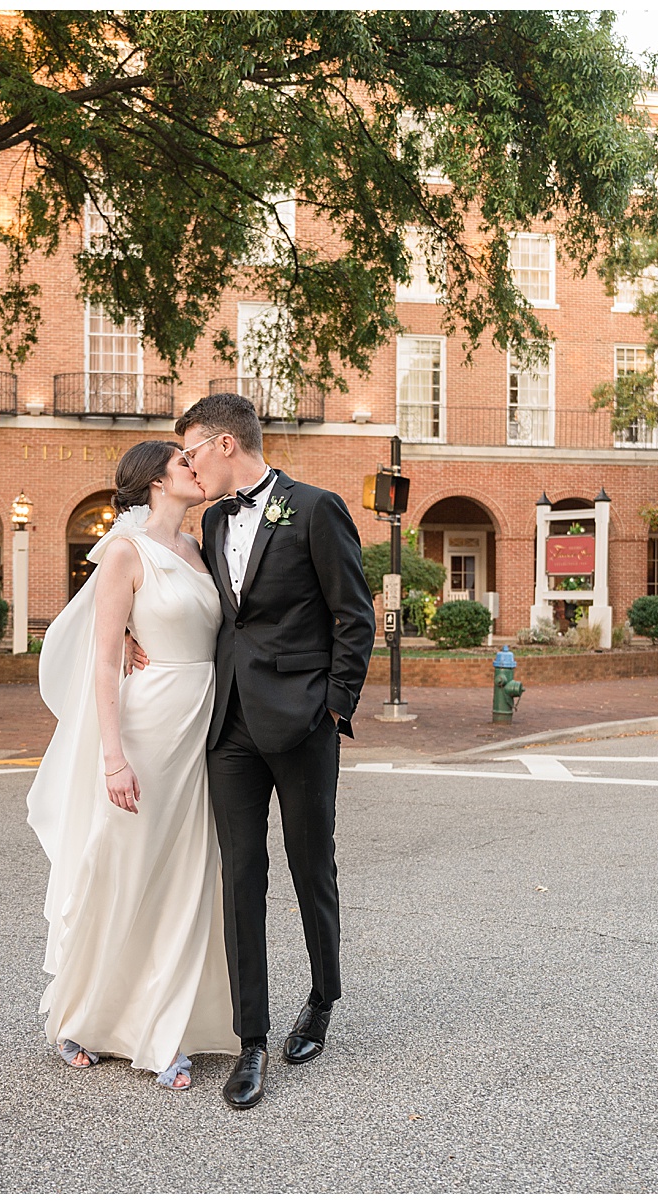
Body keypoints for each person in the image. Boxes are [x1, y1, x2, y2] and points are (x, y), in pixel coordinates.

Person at [161, 392, 375, 1111]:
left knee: (313, 866)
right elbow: (210, 608)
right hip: (232, 729)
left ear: (225, 444)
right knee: (240, 878)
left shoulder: (315, 508)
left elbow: (354, 614)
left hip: (303, 722)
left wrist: (335, 706)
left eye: (190, 450)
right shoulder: (215, 518)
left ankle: (322, 997)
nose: (186, 465)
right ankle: (251, 1039)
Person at [25, 440, 239, 1091]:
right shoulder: (125, 551)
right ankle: (84, 1017)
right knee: (127, 873)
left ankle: (167, 1025)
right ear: (153, 481)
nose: (193, 468)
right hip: (145, 732)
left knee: (186, 882)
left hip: (199, 730)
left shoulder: (199, 550)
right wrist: (113, 758)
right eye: (181, 462)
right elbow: (101, 660)